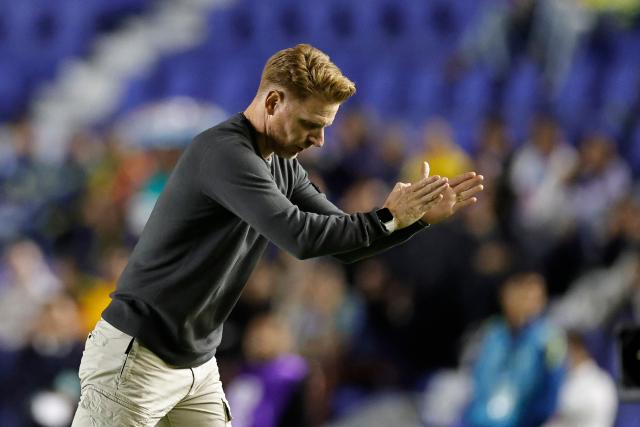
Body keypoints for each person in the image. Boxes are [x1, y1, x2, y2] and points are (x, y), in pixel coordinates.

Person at [71, 43, 484, 426]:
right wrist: (387, 216)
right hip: (138, 357)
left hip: (194, 365)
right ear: (273, 102)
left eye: (325, 127)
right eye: (311, 124)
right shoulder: (225, 154)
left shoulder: (281, 164)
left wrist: (416, 219)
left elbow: (342, 242)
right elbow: (301, 236)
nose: (319, 140)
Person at [462, 271, 567, 427]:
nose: (529, 303)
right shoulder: (491, 333)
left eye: (536, 298)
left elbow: (550, 396)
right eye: (523, 296)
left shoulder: (550, 340)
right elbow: (474, 382)